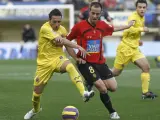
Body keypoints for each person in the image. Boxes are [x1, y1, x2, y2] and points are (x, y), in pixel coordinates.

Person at [66, 2, 134, 119]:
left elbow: (114, 28)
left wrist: (127, 26)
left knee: (113, 87)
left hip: (100, 62)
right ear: (89, 11)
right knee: (102, 88)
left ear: (100, 13)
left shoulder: (102, 25)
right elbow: (67, 42)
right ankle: (112, 112)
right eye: (93, 13)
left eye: (97, 14)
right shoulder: (79, 27)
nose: (95, 16)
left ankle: (90, 81)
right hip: (85, 63)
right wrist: (76, 58)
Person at [23, 9, 94, 120]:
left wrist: (75, 58)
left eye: (59, 22)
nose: (57, 24)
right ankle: (35, 110)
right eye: (54, 22)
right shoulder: (45, 28)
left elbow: (67, 46)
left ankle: (84, 92)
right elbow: (63, 41)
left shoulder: (62, 29)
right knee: (36, 94)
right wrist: (78, 47)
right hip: (44, 64)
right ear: (49, 20)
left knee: (70, 66)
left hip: (58, 58)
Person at [112, 0, 157, 99]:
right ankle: (95, 78)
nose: (142, 9)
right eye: (140, 7)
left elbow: (133, 33)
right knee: (116, 73)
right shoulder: (133, 17)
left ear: (146, 8)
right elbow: (129, 29)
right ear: (136, 8)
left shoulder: (142, 17)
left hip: (134, 48)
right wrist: (142, 29)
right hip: (125, 49)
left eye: (144, 7)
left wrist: (138, 40)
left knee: (146, 67)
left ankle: (145, 93)